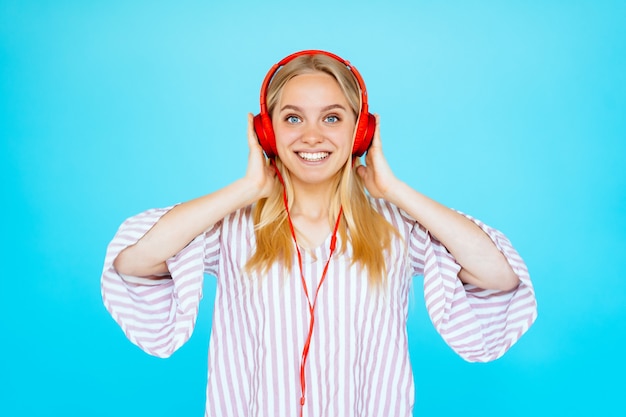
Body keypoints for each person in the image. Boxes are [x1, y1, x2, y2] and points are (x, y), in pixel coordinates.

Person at [101, 50, 537, 417]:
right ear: (267, 132)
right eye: (292, 118)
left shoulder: (397, 227)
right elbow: (133, 264)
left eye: (332, 117)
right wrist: (245, 189)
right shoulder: (229, 227)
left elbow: (498, 278)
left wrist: (394, 190)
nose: (312, 136)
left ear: (360, 131)